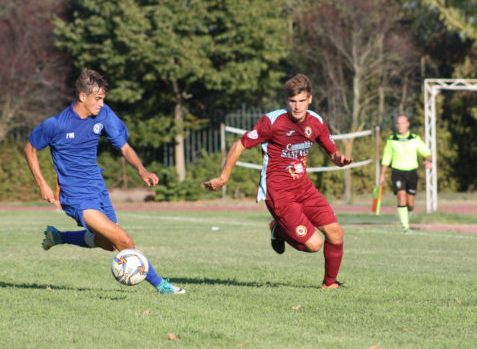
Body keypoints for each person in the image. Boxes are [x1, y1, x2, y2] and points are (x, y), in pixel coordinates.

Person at [23, 69, 185, 294]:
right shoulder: (56, 124)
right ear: (82, 97)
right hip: (75, 195)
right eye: (97, 99)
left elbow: (124, 147)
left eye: (103, 99)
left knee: (111, 244)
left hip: (97, 188)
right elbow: (30, 149)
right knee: (124, 240)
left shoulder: (104, 114)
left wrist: (141, 170)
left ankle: (59, 236)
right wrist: (42, 182)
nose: (101, 103)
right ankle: (162, 285)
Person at [203, 74, 352, 289]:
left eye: (302, 101)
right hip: (279, 193)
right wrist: (223, 177)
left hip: (304, 188)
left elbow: (332, 151)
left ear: (310, 99)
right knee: (314, 245)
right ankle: (278, 229)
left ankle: (330, 284)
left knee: (336, 233)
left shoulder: (316, 121)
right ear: (286, 101)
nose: (297, 106)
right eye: (293, 101)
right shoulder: (272, 122)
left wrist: (340, 159)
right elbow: (239, 145)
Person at [378, 115, 432, 233]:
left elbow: (427, 153)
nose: (400, 126)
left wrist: (429, 160)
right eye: (398, 123)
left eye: (402, 123)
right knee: (401, 196)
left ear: (407, 124)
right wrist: (382, 174)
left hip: (412, 172)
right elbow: (386, 159)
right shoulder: (391, 140)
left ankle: (407, 219)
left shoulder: (415, 138)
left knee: (410, 203)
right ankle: (405, 226)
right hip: (397, 172)